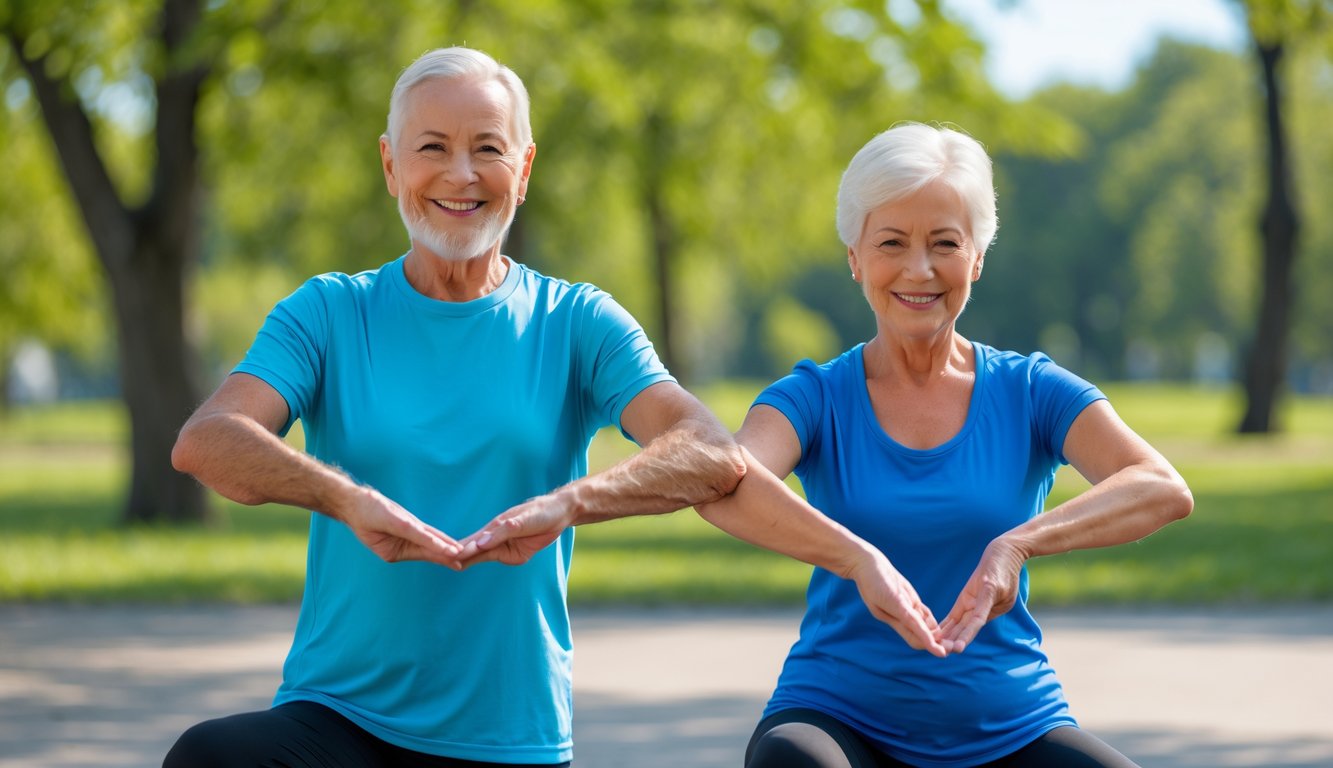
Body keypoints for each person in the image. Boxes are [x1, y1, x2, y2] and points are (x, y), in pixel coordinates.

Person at [164, 48, 944, 768]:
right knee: (211, 756)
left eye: (489, 148)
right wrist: (345, 497)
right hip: (336, 719)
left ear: (524, 166)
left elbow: (707, 449)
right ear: (390, 164)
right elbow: (208, 442)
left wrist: (570, 504)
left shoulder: (575, 322)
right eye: (432, 146)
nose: (461, 174)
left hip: (510, 738)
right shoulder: (329, 313)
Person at [696, 123, 1194, 768]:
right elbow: (724, 485)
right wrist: (855, 559)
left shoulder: (1031, 390)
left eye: (945, 244)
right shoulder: (814, 396)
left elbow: (1161, 488)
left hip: (1011, 723)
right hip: (838, 719)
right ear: (855, 257)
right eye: (892, 243)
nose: (919, 269)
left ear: (978, 256)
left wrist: (1016, 545)